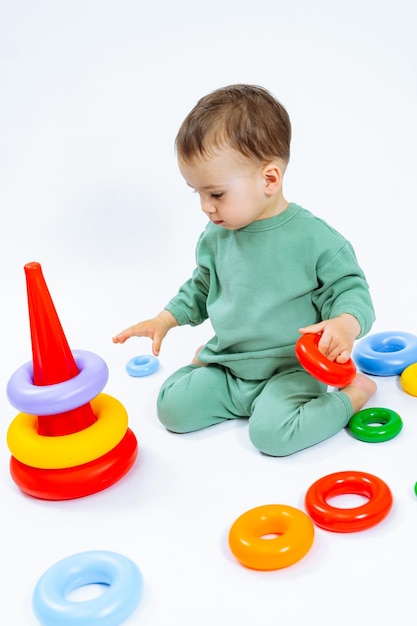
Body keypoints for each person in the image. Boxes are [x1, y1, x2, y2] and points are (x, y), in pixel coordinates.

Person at [113, 84, 377, 456]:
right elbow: (202, 286)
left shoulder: (315, 239)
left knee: (272, 437)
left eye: (216, 194)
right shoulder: (216, 236)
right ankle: (207, 363)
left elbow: (351, 290)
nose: (206, 206)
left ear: (269, 179)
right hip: (230, 366)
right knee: (171, 409)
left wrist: (345, 323)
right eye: (198, 193)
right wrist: (166, 319)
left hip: (290, 370)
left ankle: (353, 396)